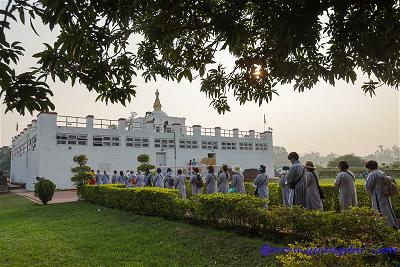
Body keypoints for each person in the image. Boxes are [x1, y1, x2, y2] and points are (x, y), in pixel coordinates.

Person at [365, 160, 399, 229]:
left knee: (379, 210)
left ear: (369, 167)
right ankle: (392, 224)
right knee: (387, 210)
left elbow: (368, 186)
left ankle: (384, 226)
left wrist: (366, 182)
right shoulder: (381, 172)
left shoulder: (373, 174)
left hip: (378, 195)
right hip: (385, 194)